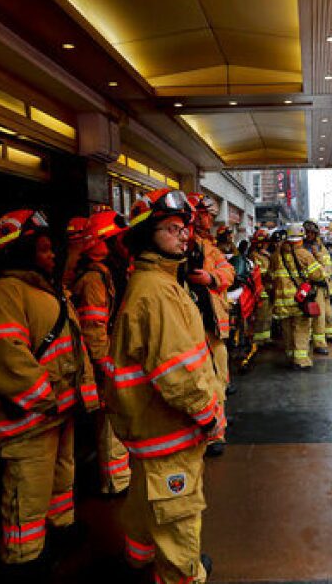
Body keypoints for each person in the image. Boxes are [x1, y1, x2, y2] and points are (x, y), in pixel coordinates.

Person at [104, 189, 225, 584]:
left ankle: (139, 557)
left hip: (149, 431)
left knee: (144, 498)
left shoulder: (156, 284)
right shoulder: (157, 293)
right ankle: (181, 575)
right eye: (171, 229)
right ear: (145, 236)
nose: (183, 236)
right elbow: (178, 374)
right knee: (179, 516)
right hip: (168, 432)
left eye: (183, 228)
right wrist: (209, 417)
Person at [0, 210, 98, 580]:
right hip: (29, 418)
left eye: (51, 249)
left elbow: (71, 346)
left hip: (57, 411)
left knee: (60, 479)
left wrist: (80, 398)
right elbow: (5, 354)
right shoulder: (5, 294)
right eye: (44, 250)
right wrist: (47, 397)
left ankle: (60, 530)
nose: (52, 255)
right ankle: (24, 556)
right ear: (21, 253)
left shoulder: (46, 290)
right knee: (27, 490)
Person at [71, 209, 131, 496]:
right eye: (117, 238)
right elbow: (93, 328)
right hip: (106, 360)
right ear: (102, 242)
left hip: (115, 356)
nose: (124, 242)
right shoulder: (95, 280)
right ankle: (114, 482)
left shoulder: (110, 272)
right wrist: (106, 364)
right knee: (109, 419)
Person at [185, 192, 235, 456]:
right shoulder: (173, 249)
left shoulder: (207, 248)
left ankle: (216, 432)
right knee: (199, 379)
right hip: (186, 329)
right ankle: (208, 431)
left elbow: (229, 272)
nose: (209, 221)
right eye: (206, 215)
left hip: (210, 326)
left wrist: (210, 278)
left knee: (217, 376)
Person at [272, 223, 325, 369]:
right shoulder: (304, 254)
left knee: (287, 329)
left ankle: (291, 356)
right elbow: (318, 275)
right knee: (301, 328)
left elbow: (271, 276)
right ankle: (301, 361)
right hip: (298, 300)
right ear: (301, 238)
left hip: (281, 302)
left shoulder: (277, 255)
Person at [302, 221, 332, 353]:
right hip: (313, 285)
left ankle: (329, 334)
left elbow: (327, 266)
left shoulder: (320, 246)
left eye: (312, 232)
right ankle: (319, 343)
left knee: (327, 313)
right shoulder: (305, 248)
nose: (309, 235)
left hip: (325, 285)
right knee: (318, 315)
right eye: (307, 232)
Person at [248, 229, 273, 345]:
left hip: (268, 289)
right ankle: (257, 339)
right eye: (266, 242)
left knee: (268, 315)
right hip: (260, 290)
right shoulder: (254, 255)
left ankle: (265, 337)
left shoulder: (266, 255)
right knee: (260, 316)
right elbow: (259, 273)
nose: (267, 244)